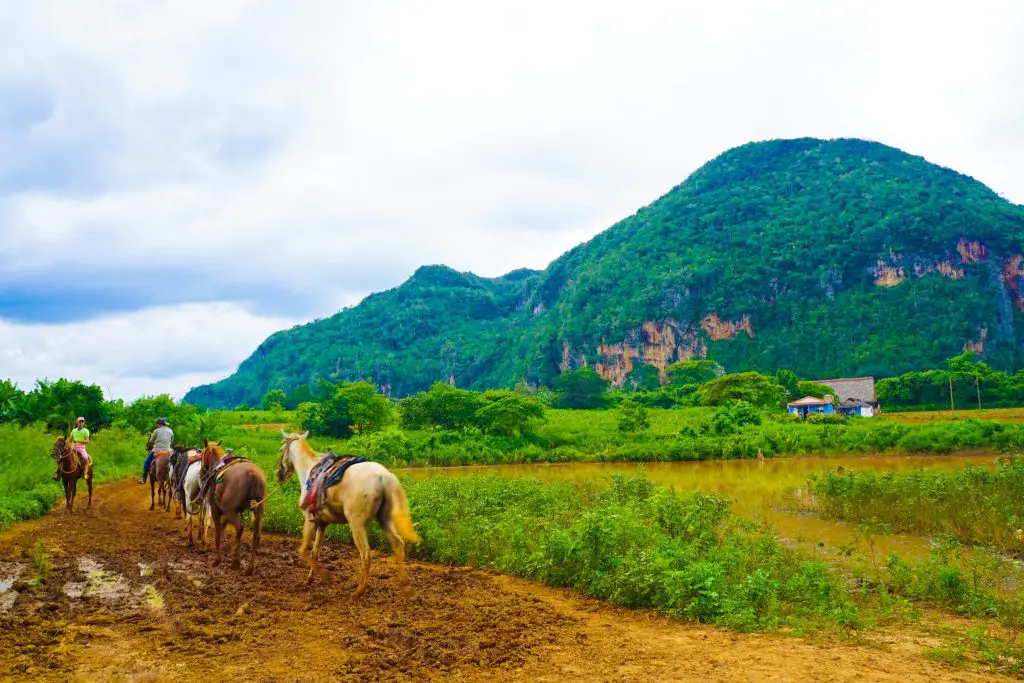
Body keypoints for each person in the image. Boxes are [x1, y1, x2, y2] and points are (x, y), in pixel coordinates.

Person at [54, 416, 92, 480]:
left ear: (84, 423)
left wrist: (77, 441)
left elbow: (87, 441)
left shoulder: (86, 431)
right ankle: (59, 473)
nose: (81, 423)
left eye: (82, 422)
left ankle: (85, 473)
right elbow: (71, 439)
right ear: (77, 422)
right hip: (73, 447)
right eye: (79, 421)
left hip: (81, 448)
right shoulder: (74, 431)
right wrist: (65, 441)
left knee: (85, 458)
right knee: (62, 457)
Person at [139, 417, 174, 484]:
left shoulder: (156, 431)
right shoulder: (171, 431)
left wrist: (149, 445)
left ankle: (143, 478)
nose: (156, 425)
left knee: (146, 462)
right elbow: (172, 441)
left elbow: (151, 441)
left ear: (159, 424)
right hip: (168, 451)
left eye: (157, 423)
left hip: (157, 450)